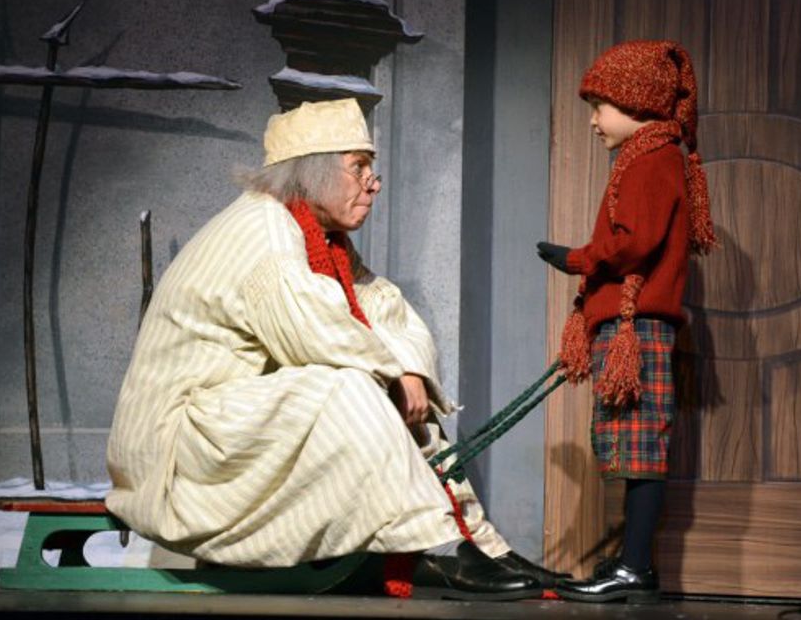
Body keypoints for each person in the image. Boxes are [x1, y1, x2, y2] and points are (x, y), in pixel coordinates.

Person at [106, 98, 562, 600]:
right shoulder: (264, 230)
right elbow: (317, 332)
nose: (374, 183)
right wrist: (392, 372)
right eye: (358, 168)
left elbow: (385, 310)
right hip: (177, 450)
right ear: (313, 173)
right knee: (348, 387)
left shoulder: (319, 240)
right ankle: (435, 547)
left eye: (371, 169)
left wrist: (407, 370)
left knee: (398, 401)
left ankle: (480, 545)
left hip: (225, 426)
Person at [535, 40, 717, 603]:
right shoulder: (649, 156)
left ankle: (636, 566)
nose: (593, 121)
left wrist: (578, 258)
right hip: (629, 323)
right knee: (632, 445)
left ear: (635, 102)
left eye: (600, 106)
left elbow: (634, 242)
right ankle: (633, 562)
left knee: (641, 449)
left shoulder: (652, 158)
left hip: (636, 326)